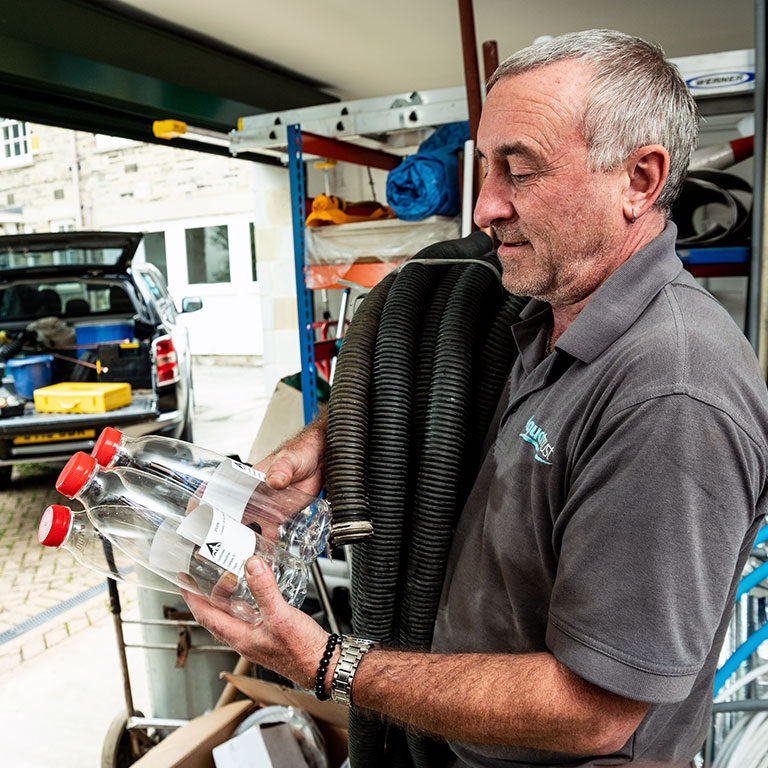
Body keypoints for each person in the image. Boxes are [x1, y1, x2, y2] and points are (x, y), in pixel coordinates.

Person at [182, 30, 768, 767]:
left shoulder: (671, 395)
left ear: (639, 180)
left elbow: (592, 712)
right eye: (485, 166)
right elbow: (427, 349)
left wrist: (330, 664)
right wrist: (335, 436)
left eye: (519, 171)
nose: (486, 206)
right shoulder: (546, 315)